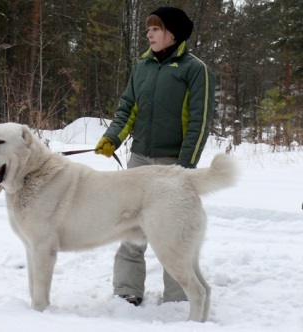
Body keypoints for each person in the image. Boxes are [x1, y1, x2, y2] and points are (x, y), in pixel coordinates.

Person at [95, 6, 216, 306]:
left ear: (172, 33)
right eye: (148, 29)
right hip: (139, 162)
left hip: (173, 164)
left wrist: (185, 168)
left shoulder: (195, 70)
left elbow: (199, 123)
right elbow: (127, 109)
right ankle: (127, 290)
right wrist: (112, 137)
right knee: (129, 227)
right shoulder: (142, 67)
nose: (148, 34)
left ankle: (179, 298)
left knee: (173, 234)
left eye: (155, 29)